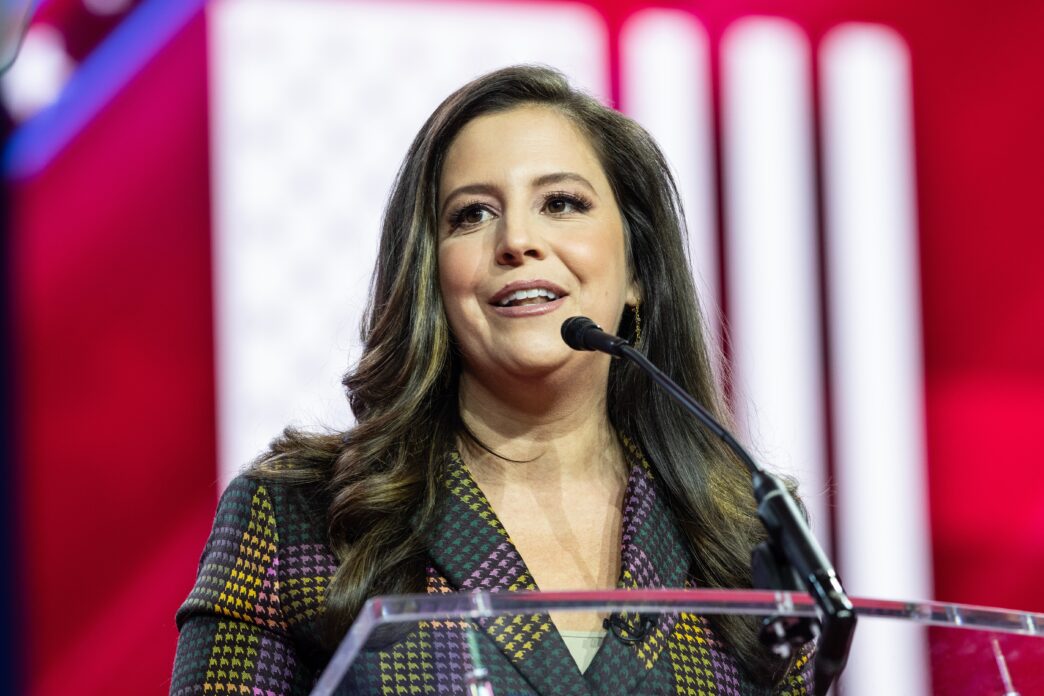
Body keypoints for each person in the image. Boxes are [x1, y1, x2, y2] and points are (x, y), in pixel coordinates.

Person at [170, 65, 812, 695]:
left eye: (561, 203)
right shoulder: (300, 516)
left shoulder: (740, 536)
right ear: (432, 278)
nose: (517, 241)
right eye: (472, 215)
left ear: (638, 271)